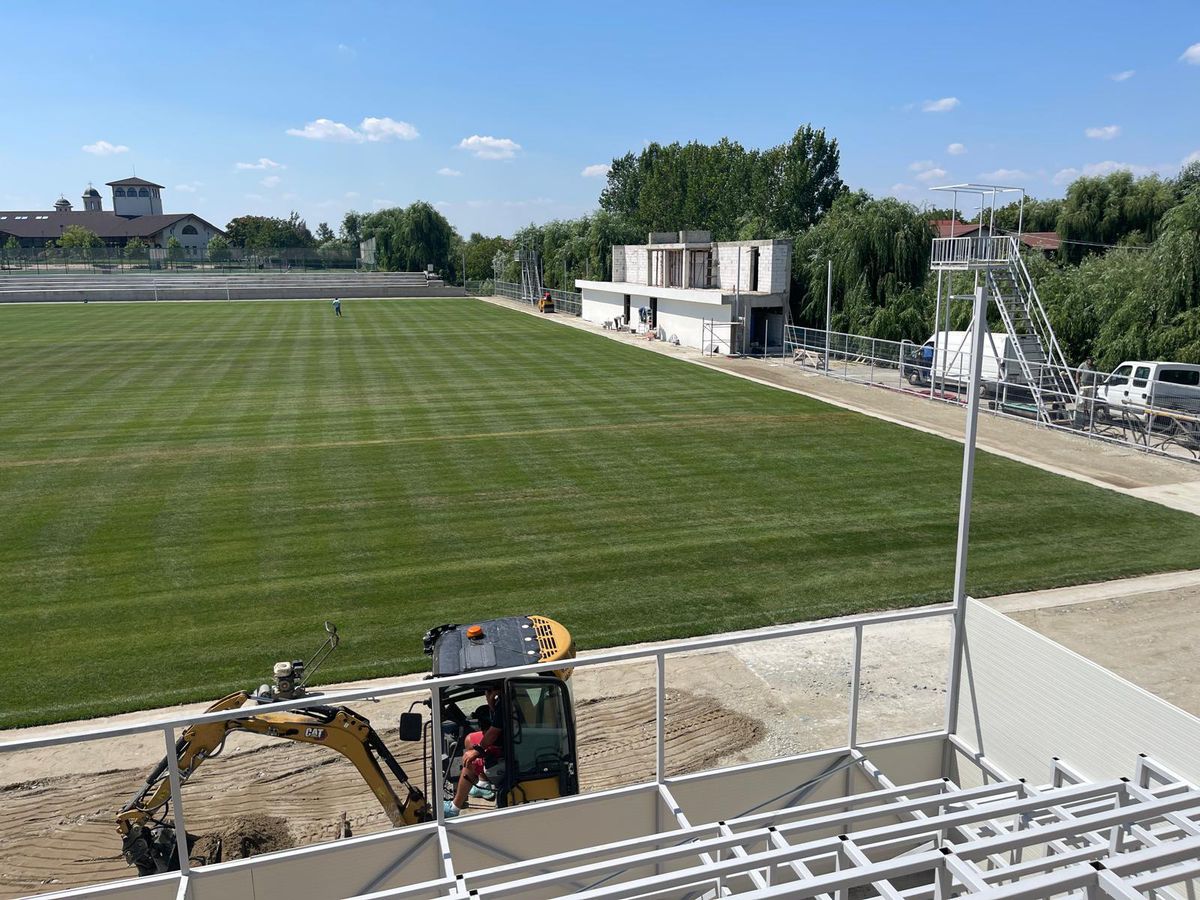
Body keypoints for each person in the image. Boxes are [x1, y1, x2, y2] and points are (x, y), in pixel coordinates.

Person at [444, 685, 503, 818]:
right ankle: (483, 782)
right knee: (470, 739)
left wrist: (478, 750)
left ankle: (454, 808)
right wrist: (491, 702)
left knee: (470, 759)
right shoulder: (503, 699)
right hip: (506, 738)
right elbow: (498, 721)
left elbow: (494, 732)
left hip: (506, 746)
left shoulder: (504, 703)